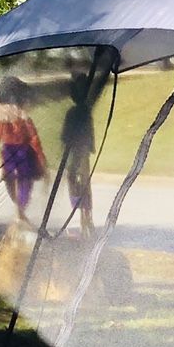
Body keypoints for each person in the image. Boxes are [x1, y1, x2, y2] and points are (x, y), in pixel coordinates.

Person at [0, 78, 47, 224]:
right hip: (10, 153)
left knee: (22, 182)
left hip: (23, 154)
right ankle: (20, 212)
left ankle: (20, 213)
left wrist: (40, 157)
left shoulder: (24, 121)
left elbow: (34, 138)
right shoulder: (4, 123)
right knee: (11, 182)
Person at [60, 71, 97, 234]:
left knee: (81, 180)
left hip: (79, 150)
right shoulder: (78, 112)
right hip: (78, 150)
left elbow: (67, 135)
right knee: (79, 181)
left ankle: (86, 214)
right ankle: (84, 212)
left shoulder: (78, 112)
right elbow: (68, 134)